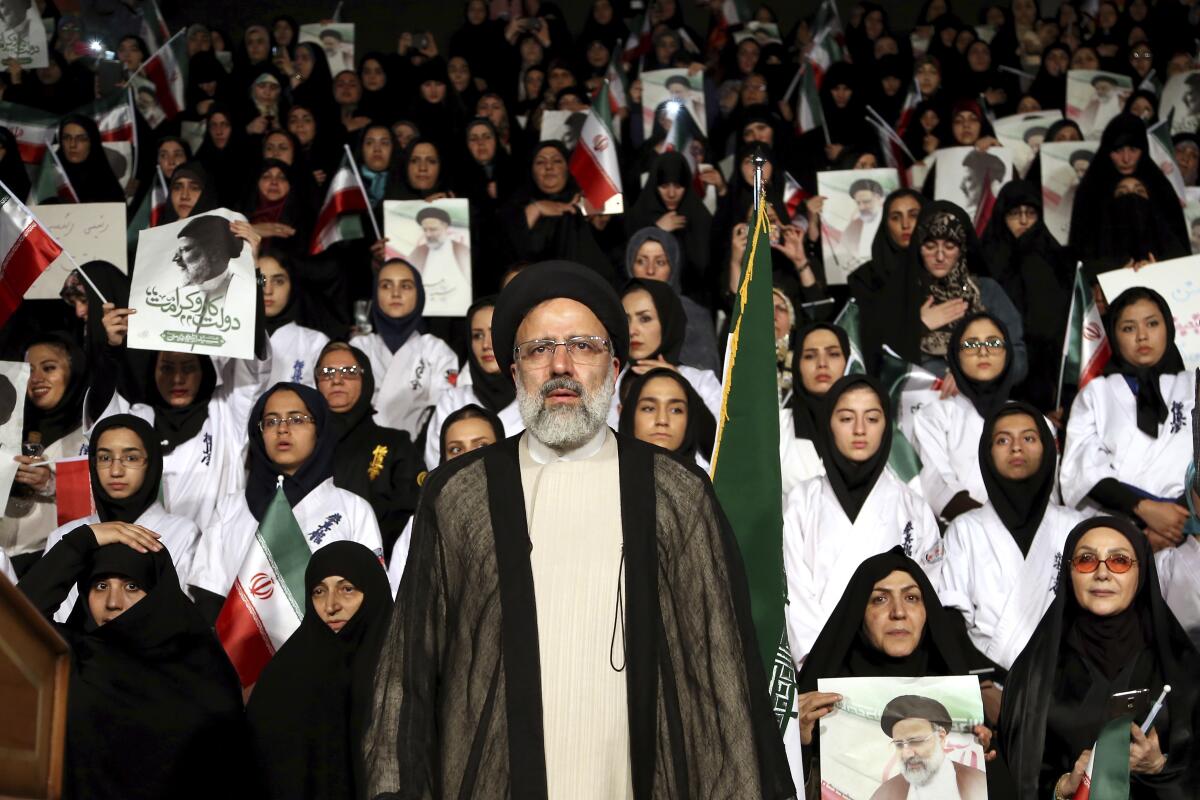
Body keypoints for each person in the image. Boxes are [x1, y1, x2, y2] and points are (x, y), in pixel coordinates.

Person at [364, 260, 793, 798]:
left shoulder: (676, 491)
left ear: (613, 369)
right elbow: (411, 672)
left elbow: (719, 671)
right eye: (539, 349)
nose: (561, 365)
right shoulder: (460, 495)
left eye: (583, 346)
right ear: (515, 372)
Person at [17, 522, 249, 798]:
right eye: (100, 585)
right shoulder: (71, 656)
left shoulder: (202, 668)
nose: (114, 601)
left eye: (132, 585)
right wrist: (80, 541)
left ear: (157, 592)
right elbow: (15, 626)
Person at [999, 517, 1200, 797]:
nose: (1102, 573)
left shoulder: (1183, 667)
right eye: (1085, 560)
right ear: (1069, 573)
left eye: (1119, 560)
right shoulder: (1033, 673)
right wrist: (1062, 787)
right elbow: (1014, 779)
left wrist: (1159, 767)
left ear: (1141, 573)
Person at [793, 548, 1003, 800]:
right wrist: (799, 746)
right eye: (880, 599)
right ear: (859, 611)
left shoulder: (957, 696)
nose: (899, 612)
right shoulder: (819, 702)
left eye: (912, 598)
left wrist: (988, 761)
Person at [188, 383, 383, 621]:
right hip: (243, 653)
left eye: (297, 419)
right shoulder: (231, 507)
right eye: (271, 421)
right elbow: (209, 593)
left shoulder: (353, 508)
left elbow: (374, 593)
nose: (282, 429)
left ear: (319, 428)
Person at [783, 374, 942, 666]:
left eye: (872, 418)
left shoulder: (913, 507)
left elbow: (927, 592)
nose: (859, 430)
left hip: (894, 666)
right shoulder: (800, 502)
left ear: (886, 426)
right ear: (828, 425)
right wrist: (819, 661)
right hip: (817, 663)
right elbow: (792, 590)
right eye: (846, 418)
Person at [940, 402, 1087, 669]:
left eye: (1029, 438)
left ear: (1047, 449)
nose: (1016, 447)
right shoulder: (964, 530)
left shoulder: (1076, 526)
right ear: (987, 453)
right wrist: (983, 685)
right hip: (987, 683)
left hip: (1065, 679)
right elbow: (949, 621)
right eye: (1003, 440)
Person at [246, 541, 392, 800]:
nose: (331, 605)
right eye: (318, 591)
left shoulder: (402, 669)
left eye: (347, 589)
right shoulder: (285, 676)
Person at [1060, 288, 1194, 551]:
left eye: (1152, 324)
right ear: (1114, 335)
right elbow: (1082, 468)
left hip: (1188, 529)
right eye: (1128, 328)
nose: (1142, 336)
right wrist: (1144, 511)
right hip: (1116, 531)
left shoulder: (1193, 386)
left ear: (1168, 327)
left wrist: (1176, 520)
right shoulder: (1096, 393)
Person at [39, 414, 201, 621]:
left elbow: (182, 617)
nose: (116, 471)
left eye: (131, 458)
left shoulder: (183, 533)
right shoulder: (64, 536)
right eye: (105, 458)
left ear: (151, 463)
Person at [863, 200, 1027, 383]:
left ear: (962, 248)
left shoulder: (987, 291)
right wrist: (917, 326)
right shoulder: (900, 294)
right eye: (930, 246)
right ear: (918, 247)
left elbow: (1019, 361)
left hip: (982, 403)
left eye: (949, 246)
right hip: (917, 403)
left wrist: (968, 377)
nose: (940, 256)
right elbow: (879, 361)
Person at [314, 342, 421, 562]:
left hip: (381, 561)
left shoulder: (395, 443)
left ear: (367, 379)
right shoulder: (306, 445)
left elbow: (412, 512)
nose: (337, 379)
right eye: (327, 372)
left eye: (349, 372)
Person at [913, 312, 1020, 522]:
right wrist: (994, 525)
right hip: (961, 537)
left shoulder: (1035, 421)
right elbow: (938, 485)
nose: (983, 351)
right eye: (970, 345)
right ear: (955, 354)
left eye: (994, 342)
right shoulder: (933, 417)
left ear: (1007, 353)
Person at [1, 333, 88, 576]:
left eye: (49, 368)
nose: (36, 379)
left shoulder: (88, 433)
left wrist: (51, 482)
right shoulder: (9, 429)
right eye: (28, 371)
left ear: (73, 372)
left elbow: (101, 497)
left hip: (49, 561)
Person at [350, 259, 458, 439]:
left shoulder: (437, 350)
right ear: (375, 294)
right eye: (386, 286)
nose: (395, 293)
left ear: (420, 295)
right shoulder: (358, 347)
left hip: (418, 457)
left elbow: (444, 416)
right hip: (360, 452)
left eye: (406, 286)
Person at [421, 296, 522, 468]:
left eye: (494, 333)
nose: (486, 344)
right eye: (477, 335)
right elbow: (436, 469)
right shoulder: (452, 401)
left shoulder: (534, 398)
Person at [620, 278, 723, 419]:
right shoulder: (609, 384)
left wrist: (680, 386)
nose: (632, 330)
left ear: (668, 323)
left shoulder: (701, 383)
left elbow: (723, 436)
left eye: (645, 319)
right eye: (625, 321)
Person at [623, 227, 719, 373]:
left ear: (673, 267)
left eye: (660, 262)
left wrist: (675, 377)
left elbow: (710, 382)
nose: (650, 270)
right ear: (630, 265)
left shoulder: (694, 316)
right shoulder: (614, 310)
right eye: (641, 261)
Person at [871, 696, 989, 800]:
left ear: (941, 737)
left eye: (916, 741)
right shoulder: (885, 794)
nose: (907, 754)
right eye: (899, 744)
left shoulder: (979, 783)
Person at [779, 322, 849, 496]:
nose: (822, 364)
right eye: (810, 356)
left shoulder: (872, 425)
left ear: (848, 362)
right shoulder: (775, 428)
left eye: (833, 354)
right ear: (797, 364)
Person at [618, 365, 715, 468]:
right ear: (628, 414)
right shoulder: (603, 478)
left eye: (675, 410)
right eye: (649, 408)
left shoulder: (712, 481)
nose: (662, 420)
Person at [259, 249, 329, 388]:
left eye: (278, 281)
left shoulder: (315, 342)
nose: (268, 291)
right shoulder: (228, 336)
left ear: (293, 286)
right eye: (260, 280)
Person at [848, 188, 925, 303]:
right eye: (896, 218)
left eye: (913, 215)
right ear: (886, 224)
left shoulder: (944, 267)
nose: (905, 224)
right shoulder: (864, 279)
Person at [407, 205, 472, 314]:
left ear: (445, 227)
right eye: (425, 230)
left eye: (433, 229)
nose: (428, 234)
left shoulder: (462, 250)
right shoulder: (417, 252)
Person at [838, 178, 885, 263]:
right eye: (858, 203)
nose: (861, 207)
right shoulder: (854, 226)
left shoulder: (893, 220)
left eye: (866, 202)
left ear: (878, 198)